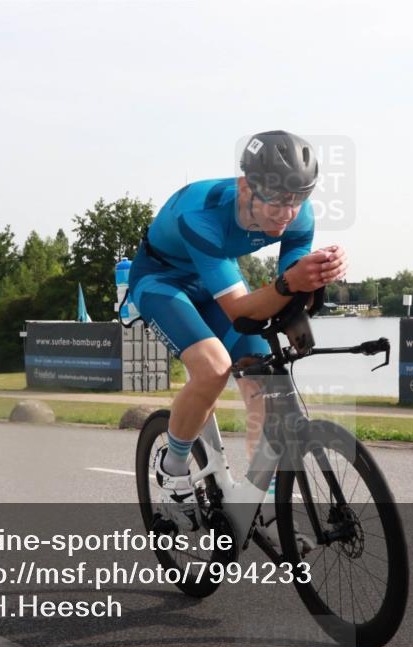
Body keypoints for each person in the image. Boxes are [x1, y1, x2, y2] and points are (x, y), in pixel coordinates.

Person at [129, 130, 348, 550]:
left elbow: (287, 295)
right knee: (211, 367)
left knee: (262, 377)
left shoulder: (300, 216)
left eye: (297, 198)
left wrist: (322, 271)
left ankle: (256, 501)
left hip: (216, 279)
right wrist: (289, 282)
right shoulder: (202, 214)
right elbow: (241, 311)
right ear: (246, 185)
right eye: (277, 198)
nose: (287, 212)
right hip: (164, 281)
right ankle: (174, 464)